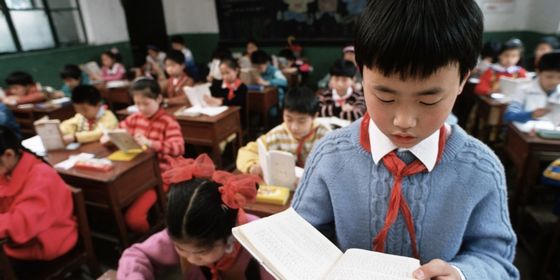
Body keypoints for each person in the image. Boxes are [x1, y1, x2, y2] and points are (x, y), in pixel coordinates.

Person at [292, 1, 518, 279]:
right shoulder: (330, 155)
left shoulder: (481, 168)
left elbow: (496, 259)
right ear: (361, 74)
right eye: (386, 97)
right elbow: (300, 235)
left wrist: (462, 274)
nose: (404, 121)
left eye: (429, 99)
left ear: (462, 80)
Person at [117, 154, 274, 280]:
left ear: (228, 235)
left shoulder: (260, 242)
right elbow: (137, 255)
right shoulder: (185, 231)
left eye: (201, 252)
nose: (191, 259)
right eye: (180, 249)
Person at [103, 78, 184, 233]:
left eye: (145, 103)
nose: (141, 108)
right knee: (114, 202)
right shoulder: (134, 118)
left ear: (159, 99)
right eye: (137, 104)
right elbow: (117, 130)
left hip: (159, 176)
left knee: (133, 218)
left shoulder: (168, 121)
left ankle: (151, 240)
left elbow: (178, 148)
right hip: (134, 171)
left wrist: (151, 143)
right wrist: (109, 138)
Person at [0, 125, 77, 260]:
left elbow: (21, 223)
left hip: (45, 242)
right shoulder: (8, 170)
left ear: (8, 155)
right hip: (22, 237)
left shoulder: (41, 177)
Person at [236, 87, 330, 176]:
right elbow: (245, 152)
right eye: (289, 119)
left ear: (314, 117)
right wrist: (252, 166)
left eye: (301, 121)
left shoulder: (326, 135)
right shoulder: (277, 133)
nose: (294, 127)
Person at [504, 51, 560, 123]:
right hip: (523, 133)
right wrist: (530, 115)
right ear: (538, 72)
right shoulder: (524, 89)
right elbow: (509, 116)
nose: (554, 81)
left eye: (559, 77)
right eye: (549, 77)